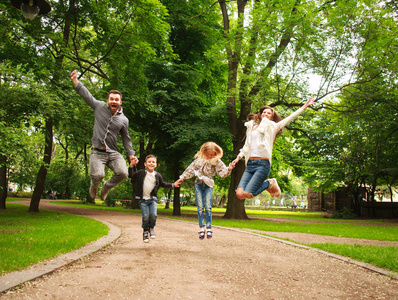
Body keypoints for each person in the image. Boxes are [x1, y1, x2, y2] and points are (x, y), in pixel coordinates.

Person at [70, 70, 138, 201]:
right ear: (108, 100)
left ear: (120, 102)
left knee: (123, 173)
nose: (114, 101)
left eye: (116, 100)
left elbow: (126, 139)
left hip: (113, 153)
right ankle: (94, 185)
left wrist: (131, 155)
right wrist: (75, 80)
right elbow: (87, 95)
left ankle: (107, 186)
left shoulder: (124, 120)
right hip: (97, 151)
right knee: (98, 175)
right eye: (111, 99)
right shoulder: (99, 107)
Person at [231, 97, 315, 200]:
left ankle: (270, 183)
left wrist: (304, 106)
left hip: (263, 165)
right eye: (264, 112)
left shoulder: (274, 126)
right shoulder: (252, 126)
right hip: (250, 164)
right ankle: (268, 184)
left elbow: (291, 117)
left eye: (268, 113)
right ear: (261, 114)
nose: (265, 114)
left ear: (272, 117)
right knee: (239, 194)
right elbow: (247, 145)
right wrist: (238, 158)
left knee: (248, 194)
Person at [175, 142, 235, 240]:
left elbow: (222, 173)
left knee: (208, 207)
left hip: (208, 185)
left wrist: (229, 169)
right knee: (200, 207)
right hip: (198, 184)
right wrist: (181, 178)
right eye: (209, 154)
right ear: (204, 152)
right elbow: (189, 170)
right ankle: (202, 228)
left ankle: (209, 228)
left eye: (213, 154)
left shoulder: (217, 162)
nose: (211, 156)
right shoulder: (198, 161)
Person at [128, 155, 180, 243]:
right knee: (145, 217)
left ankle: (151, 228)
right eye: (149, 162)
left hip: (152, 200)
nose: (151, 163)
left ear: (156, 165)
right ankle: (145, 231)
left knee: (153, 215)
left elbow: (163, 184)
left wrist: (173, 185)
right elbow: (131, 175)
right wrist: (131, 166)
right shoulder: (140, 172)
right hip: (143, 200)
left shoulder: (157, 175)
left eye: (153, 162)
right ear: (145, 164)